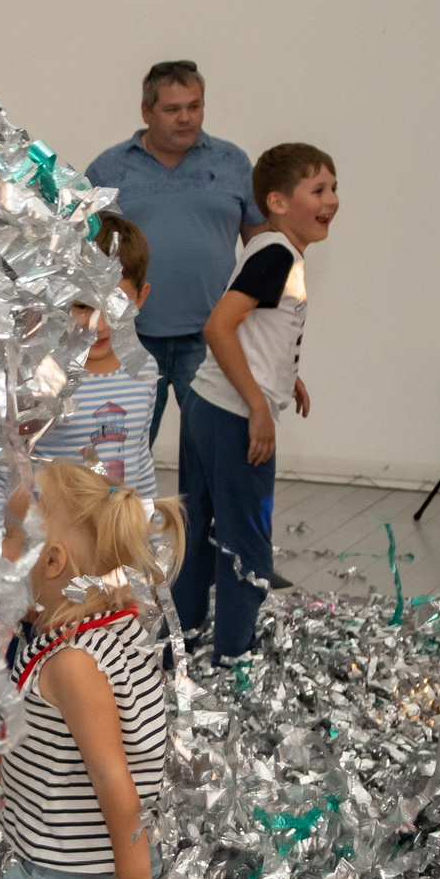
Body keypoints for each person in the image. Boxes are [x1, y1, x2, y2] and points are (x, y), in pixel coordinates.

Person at [0, 462, 184, 879]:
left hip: (64, 868)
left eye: (8, 536)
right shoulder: (117, 623)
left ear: (51, 562)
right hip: (111, 860)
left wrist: (135, 876)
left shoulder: (71, 662)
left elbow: (109, 772)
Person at [171, 142, 339, 662]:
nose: (331, 200)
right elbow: (218, 327)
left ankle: (181, 641)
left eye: (334, 188)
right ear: (278, 201)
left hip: (205, 405)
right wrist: (258, 405)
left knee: (197, 530)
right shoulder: (277, 254)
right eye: (318, 190)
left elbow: (259, 330)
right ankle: (234, 657)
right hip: (234, 417)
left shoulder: (273, 249)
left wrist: (287, 376)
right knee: (245, 543)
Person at [83, 62, 262, 447]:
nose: (185, 118)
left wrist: (264, 325)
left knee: (216, 448)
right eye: (172, 109)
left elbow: (261, 248)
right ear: (146, 111)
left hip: (214, 336)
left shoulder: (232, 163)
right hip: (129, 336)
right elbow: (84, 253)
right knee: (123, 445)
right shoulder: (109, 168)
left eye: (194, 106)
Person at [28, 212, 160, 498]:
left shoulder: (145, 368)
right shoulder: (44, 375)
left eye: (114, 306)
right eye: (82, 306)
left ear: (141, 297)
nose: (97, 326)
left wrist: (150, 520)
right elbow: (6, 468)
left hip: (122, 526)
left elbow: (141, 456)